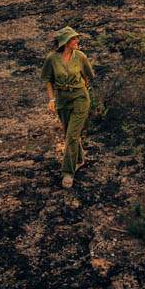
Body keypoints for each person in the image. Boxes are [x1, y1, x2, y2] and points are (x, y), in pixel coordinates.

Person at [41, 26, 95, 189]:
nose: (77, 41)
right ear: (65, 42)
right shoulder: (52, 59)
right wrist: (51, 99)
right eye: (73, 39)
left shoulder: (80, 57)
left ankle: (68, 172)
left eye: (76, 38)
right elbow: (48, 80)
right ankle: (79, 159)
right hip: (62, 100)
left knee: (71, 136)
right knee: (69, 132)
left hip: (80, 97)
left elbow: (89, 76)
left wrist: (82, 88)